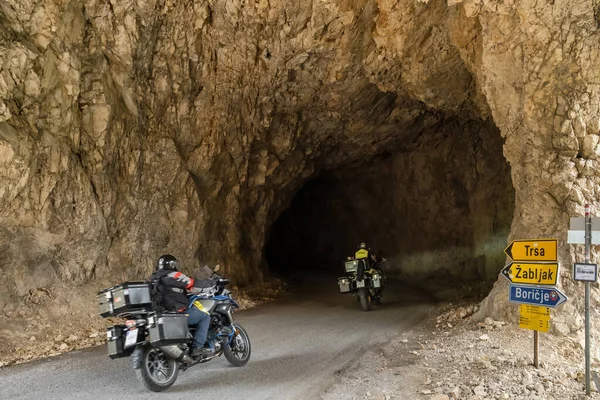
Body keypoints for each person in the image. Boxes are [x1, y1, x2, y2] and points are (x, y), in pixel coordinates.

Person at [149, 254, 218, 357]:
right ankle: (197, 347)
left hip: (160, 314)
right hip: (177, 313)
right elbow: (193, 285)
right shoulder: (174, 275)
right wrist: (213, 283)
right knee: (205, 317)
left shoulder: (153, 278)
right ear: (172, 264)